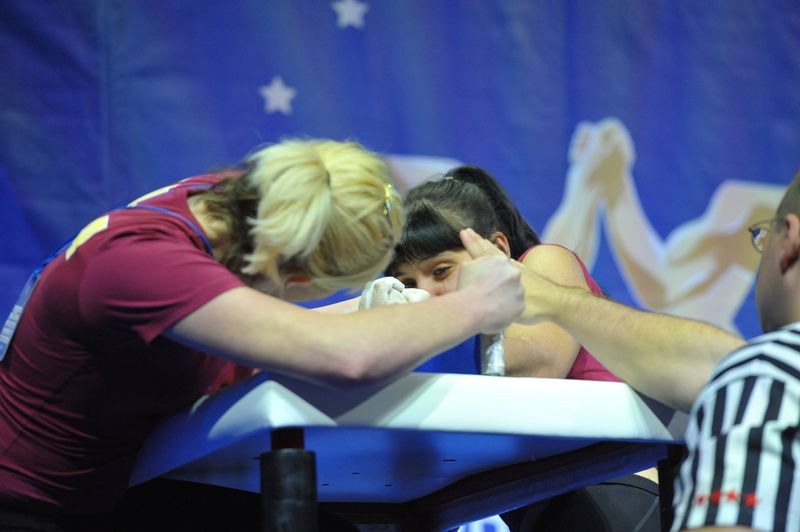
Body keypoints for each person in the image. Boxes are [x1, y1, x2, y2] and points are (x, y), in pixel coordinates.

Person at [0, 138, 525, 530]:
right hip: (32, 509)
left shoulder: (247, 203)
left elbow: (292, 331)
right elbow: (347, 357)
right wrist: (477, 304)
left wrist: (387, 308)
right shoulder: (141, 263)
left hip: (118, 487)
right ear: (289, 278)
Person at [461, 169, 800, 531]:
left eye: (763, 238)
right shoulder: (768, 372)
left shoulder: (768, 376)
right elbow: (715, 363)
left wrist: (548, 299)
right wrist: (555, 301)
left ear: (790, 240)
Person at [371, 165, 660, 531]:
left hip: (612, 488)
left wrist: (402, 337)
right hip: (517, 497)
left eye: (442, 271)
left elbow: (541, 362)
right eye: (407, 283)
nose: (424, 293)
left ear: (497, 250)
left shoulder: (545, 262)